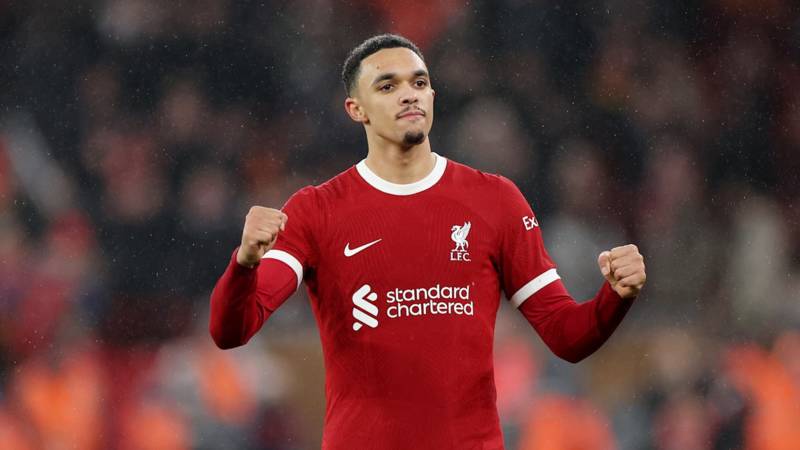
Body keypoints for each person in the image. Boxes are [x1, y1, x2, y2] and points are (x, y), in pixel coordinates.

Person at [209, 34, 646, 449]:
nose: (409, 94)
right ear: (356, 109)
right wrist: (245, 263)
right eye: (387, 85)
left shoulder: (495, 200)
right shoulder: (316, 210)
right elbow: (232, 330)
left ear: (432, 96)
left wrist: (615, 296)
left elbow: (567, 336)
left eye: (419, 82)